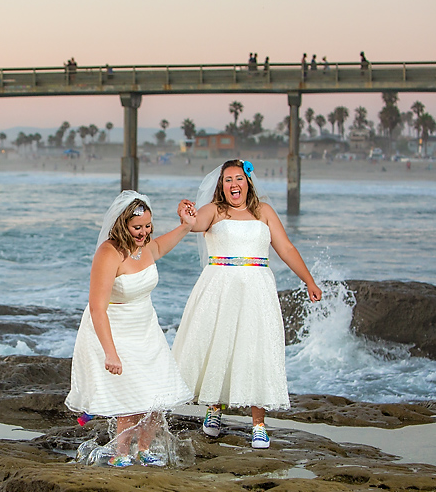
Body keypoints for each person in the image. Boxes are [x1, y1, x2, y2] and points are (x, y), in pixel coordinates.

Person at [172, 159, 322, 449]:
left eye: (238, 178)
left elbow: (287, 248)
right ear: (221, 186)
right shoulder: (215, 211)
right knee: (219, 344)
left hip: (257, 289)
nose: (234, 185)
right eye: (228, 180)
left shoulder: (263, 212)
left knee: (256, 350)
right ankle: (214, 409)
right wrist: (184, 212)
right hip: (220, 286)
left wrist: (309, 280)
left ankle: (259, 424)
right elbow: (193, 224)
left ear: (247, 181)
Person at [65, 191, 195, 467]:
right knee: (131, 397)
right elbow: (98, 308)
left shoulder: (146, 246)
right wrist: (110, 353)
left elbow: (159, 248)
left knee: (157, 393)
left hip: (146, 327)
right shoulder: (108, 252)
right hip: (116, 329)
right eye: (137, 228)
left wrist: (185, 226)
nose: (144, 233)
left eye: (148, 227)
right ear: (122, 223)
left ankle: (144, 450)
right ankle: (119, 453)